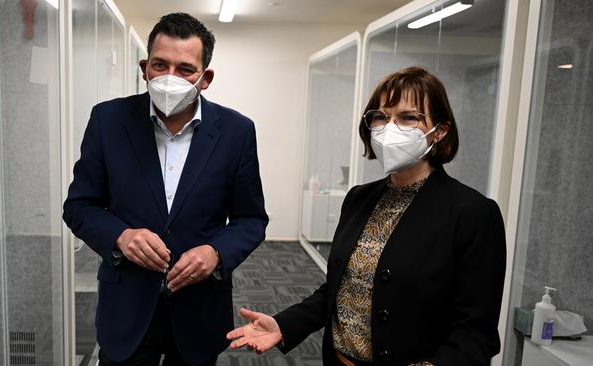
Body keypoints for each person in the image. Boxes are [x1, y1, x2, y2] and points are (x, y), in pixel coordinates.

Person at [227, 66, 506, 366]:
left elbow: (476, 334)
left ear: (440, 131)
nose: (389, 128)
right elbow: (339, 289)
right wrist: (285, 324)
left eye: (408, 117)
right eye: (381, 117)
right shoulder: (360, 198)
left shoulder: (472, 213)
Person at [63, 13, 268, 366]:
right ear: (145, 68)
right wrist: (121, 237)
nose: (170, 78)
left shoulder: (237, 132)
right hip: (126, 307)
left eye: (185, 69)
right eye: (160, 64)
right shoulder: (107, 120)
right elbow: (79, 206)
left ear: (206, 78)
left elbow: (251, 219)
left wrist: (216, 253)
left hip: (199, 308)